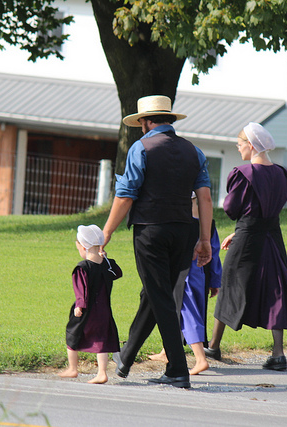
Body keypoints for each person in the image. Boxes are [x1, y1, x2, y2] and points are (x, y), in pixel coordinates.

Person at [102, 95, 213, 389]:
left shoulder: (141, 148)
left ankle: (178, 368)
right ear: (170, 120)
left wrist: (107, 232)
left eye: (141, 122)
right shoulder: (194, 151)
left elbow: (126, 195)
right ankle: (126, 357)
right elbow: (204, 197)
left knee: (160, 294)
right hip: (184, 229)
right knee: (154, 292)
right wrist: (204, 239)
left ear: (145, 123)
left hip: (151, 229)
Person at [206, 122, 287, 371]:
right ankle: (278, 353)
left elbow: (232, 208)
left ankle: (213, 346)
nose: (238, 150)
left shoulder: (244, 173)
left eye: (239, 145)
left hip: (248, 237)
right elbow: (266, 212)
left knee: (230, 284)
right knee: (275, 287)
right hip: (272, 236)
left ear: (250, 145)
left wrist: (240, 231)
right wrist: (239, 232)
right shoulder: (282, 173)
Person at [148, 193, 222, 375]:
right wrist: (214, 280)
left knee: (187, 314)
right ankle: (167, 351)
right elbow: (214, 252)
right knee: (177, 312)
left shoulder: (181, 224)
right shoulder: (208, 224)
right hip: (200, 275)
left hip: (184, 275)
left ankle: (200, 359)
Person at [59, 224, 123, 384]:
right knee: (101, 339)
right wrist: (106, 258)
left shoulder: (82, 268)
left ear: (82, 246)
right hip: (104, 310)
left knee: (72, 334)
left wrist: (79, 305)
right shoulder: (107, 265)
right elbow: (118, 273)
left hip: (86, 309)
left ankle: (73, 369)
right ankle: (102, 373)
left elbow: (81, 288)